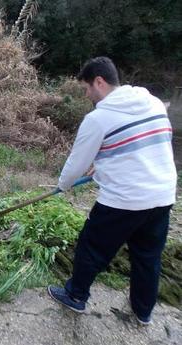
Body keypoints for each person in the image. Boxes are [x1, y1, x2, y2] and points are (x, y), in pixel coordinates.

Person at [47, 56, 177, 325]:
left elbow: (76, 164)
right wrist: (104, 163)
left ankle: (75, 296)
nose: (86, 95)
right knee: (147, 256)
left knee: (91, 247)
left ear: (99, 81)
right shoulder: (152, 102)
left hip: (125, 199)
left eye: (87, 88)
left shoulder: (99, 118)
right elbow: (142, 146)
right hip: (163, 195)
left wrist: (63, 185)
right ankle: (143, 312)